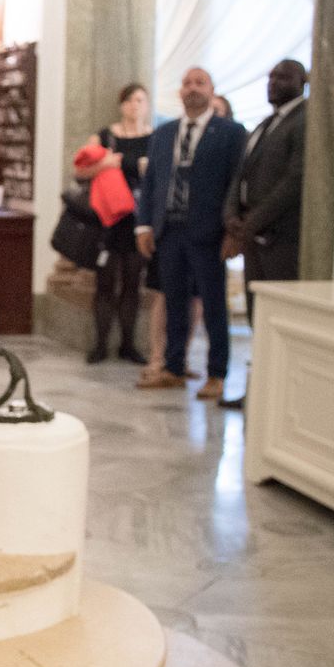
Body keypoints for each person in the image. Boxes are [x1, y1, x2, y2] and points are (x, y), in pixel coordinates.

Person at [135, 67, 246, 400]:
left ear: (212, 91)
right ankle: (173, 367)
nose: (192, 88)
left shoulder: (230, 132)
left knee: (213, 305)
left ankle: (216, 374)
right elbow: (152, 182)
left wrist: (233, 231)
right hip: (169, 231)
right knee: (174, 303)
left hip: (209, 232)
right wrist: (144, 225)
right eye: (187, 83)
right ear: (179, 92)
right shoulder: (165, 132)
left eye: (200, 83)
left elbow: (238, 183)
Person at [221, 59, 309, 410]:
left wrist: (253, 221)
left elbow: (294, 181)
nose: (273, 82)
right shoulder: (265, 123)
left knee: (278, 322)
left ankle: (279, 398)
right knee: (259, 318)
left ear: (302, 82)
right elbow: (240, 176)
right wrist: (231, 216)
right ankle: (258, 390)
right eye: (271, 76)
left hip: (281, 241)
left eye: (283, 76)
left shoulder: (304, 121)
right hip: (255, 239)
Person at [76, 83, 152, 365]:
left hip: (137, 219)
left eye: (140, 100)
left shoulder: (154, 138)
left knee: (133, 281)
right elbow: (80, 169)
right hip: (107, 220)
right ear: (121, 104)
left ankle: (129, 344)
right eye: (130, 100)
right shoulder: (106, 136)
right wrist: (106, 166)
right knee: (105, 281)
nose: (135, 105)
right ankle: (100, 343)